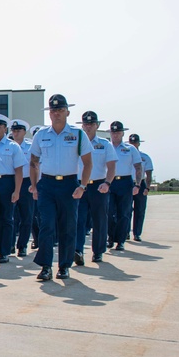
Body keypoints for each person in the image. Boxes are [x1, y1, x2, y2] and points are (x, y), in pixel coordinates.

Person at [29, 94, 93, 281]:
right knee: (46, 226)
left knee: (67, 226)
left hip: (69, 184)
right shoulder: (41, 135)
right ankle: (46, 266)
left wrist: (82, 185)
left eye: (60, 110)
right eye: (53, 110)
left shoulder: (78, 134)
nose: (56, 113)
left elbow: (88, 162)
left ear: (67, 112)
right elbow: (33, 162)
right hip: (47, 185)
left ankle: (64, 266)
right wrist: (34, 186)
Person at [74, 111, 117, 265]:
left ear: (97, 125)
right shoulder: (76, 142)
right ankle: (78, 250)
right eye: (86, 124)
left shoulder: (105, 144)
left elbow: (111, 167)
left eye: (92, 124)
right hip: (80, 185)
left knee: (99, 220)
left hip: (99, 186)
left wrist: (107, 183)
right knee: (78, 219)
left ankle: (98, 251)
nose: (88, 126)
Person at [0, 114, 25, 264]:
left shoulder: (13, 146)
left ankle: (4, 251)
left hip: (7, 183)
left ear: (5, 128)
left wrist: (17, 190)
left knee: (6, 219)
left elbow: (19, 170)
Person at [106, 121, 142, 252]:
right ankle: (110, 237)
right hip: (109, 182)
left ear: (122, 133)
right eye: (113, 132)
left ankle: (120, 241)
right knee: (109, 213)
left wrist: (137, 184)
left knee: (124, 213)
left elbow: (138, 167)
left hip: (125, 182)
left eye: (118, 132)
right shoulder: (105, 147)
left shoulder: (130, 149)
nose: (115, 134)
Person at [9, 119, 34, 258]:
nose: (16, 133)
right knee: (10, 216)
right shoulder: (9, 146)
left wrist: (35, 184)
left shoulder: (30, 148)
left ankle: (22, 245)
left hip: (26, 183)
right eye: (13, 130)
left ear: (24, 132)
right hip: (11, 182)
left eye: (18, 130)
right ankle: (10, 244)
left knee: (27, 215)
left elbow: (36, 166)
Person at [129, 133, 153, 242]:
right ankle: (125, 232)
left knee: (140, 210)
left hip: (141, 183)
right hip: (128, 182)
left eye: (135, 142)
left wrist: (147, 188)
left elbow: (148, 174)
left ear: (139, 143)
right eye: (131, 142)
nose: (133, 144)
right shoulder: (125, 154)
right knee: (126, 210)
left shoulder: (145, 157)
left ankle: (137, 233)